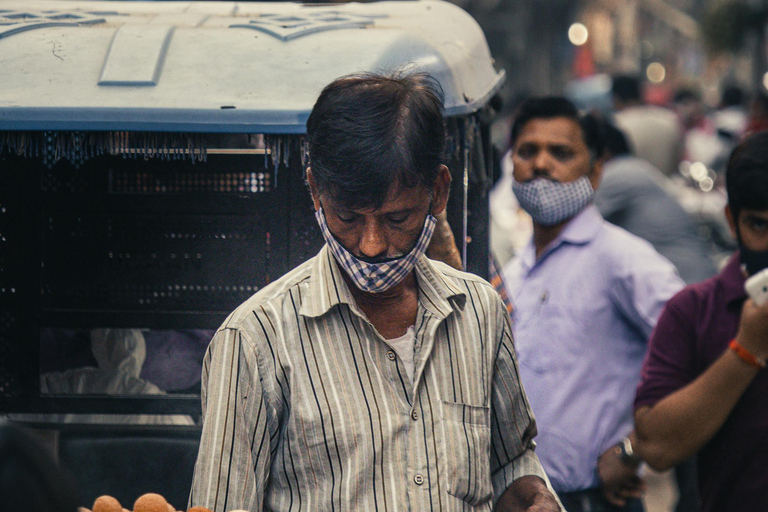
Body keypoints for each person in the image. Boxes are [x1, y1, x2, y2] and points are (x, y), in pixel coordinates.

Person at [189, 72, 562, 512]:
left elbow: (510, 461)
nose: (371, 246)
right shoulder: (253, 341)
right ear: (315, 192)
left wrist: (536, 495)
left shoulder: (480, 312)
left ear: (438, 192)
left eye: (396, 219)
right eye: (348, 217)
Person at [501, 97, 685, 511]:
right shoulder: (516, 272)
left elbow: (694, 346)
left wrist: (632, 449)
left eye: (561, 153)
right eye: (528, 151)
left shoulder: (621, 258)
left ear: (595, 171)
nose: (541, 165)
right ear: (511, 163)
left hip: (595, 500)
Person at [632, 131, 768, 512]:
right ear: (732, 221)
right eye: (759, 226)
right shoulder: (693, 311)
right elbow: (656, 445)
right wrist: (747, 350)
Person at [594, 122, 718, 284]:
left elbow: (571, 221)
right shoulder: (637, 169)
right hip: (691, 279)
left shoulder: (619, 173)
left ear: (604, 153)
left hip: (684, 283)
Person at [612, 74, 683, 177]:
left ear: (616, 98)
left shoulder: (617, 123)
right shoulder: (670, 120)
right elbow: (677, 164)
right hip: (665, 188)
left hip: (629, 188)